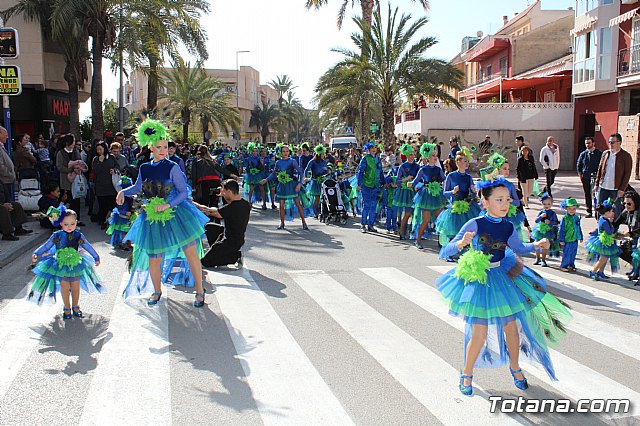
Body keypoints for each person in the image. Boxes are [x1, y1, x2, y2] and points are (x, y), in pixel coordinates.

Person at [437, 172, 570, 396]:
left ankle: (515, 367)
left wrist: (536, 244)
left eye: (507, 199)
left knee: (512, 329)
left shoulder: (508, 226)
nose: (504, 204)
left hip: (501, 279)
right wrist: (461, 243)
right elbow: (445, 251)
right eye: (499, 200)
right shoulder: (475, 223)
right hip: (479, 281)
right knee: (478, 333)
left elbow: (519, 248)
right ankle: (467, 373)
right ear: (485, 201)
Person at [117, 119, 209, 307]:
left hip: (177, 215)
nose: (163, 150)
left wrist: (167, 205)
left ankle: (200, 291)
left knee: (190, 252)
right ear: (151, 147)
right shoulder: (144, 167)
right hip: (152, 217)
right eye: (159, 147)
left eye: (165, 147)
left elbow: (183, 192)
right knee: (154, 257)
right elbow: (137, 187)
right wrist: (122, 192)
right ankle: (156, 290)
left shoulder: (173, 167)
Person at [29, 206, 103, 319]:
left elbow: (87, 246)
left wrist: (96, 257)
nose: (69, 227)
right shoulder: (57, 235)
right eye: (66, 224)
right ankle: (67, 307)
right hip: (61, 264)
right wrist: (36, 253)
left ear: (76, 222)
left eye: (72, 224)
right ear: (60, 223)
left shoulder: (78, 235)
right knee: (65, 287)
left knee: (75, 286)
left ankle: (76, 306)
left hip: (75, 264)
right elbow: (47, 246)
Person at [193, 179, 251, 268]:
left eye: (223, 191)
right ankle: (217, 252)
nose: (222, 192)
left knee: (205, 262)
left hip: (231, 242)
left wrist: (193, 204)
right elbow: (230, 205)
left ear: (229, 191)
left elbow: (210, 212)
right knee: (209, 227)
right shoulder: (245, 203)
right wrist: (224, 194)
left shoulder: (232, 208)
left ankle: (236, 256)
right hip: (233, 236)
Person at [435, 147, 480, 253]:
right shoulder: (451, 176)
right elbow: (444, 192)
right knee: (453, 232)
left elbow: (473, 193)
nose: (467, 163)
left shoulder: (468, 177)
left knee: (467, 231)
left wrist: (474, 191)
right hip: (454, 206)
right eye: (464, 161)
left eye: (467, 161)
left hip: (467, 207)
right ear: (458, 162)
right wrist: (453, 192)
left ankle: (465, 251)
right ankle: (450, 252)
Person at [260, 144, 309, 230]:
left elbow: (300, 172)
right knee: (281, 205)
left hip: (291, 185)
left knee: (298, 204)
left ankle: (304, 223)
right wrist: (266, 179)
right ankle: (282, 223)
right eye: (283, 151)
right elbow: (275, 173)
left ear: (289, 152)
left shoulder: (292, 161)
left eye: (287, 151)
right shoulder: (278, 162)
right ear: (280, 153)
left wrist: (299, 184)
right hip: (282, 186)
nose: (285, 153)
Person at [409, 143, 446, 249]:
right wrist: (411, 183)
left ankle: (441, 241)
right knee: (425, 220)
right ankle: (418, 240)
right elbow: (416, 180)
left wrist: (448, 188)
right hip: (426, 196)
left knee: (439, 220)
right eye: (433, 155)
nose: (435, 158)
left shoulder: (438, 169)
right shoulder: (423, 169)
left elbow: (445, 180)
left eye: (436, 155)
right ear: (427, 157)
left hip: (437, 195)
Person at [594, 133, 632, 217]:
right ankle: (600, 226)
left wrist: (622, 189)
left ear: (619, 142)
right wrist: (597, 184)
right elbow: (600, 169)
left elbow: (627, 174)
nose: (610, 144)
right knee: (600, 208)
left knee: (616, 208)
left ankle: (614, 227)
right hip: (603, 186)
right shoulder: (605, 154)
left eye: (612, 142)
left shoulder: (626, 156)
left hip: (616, 188)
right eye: (609, 142)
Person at [586, 200, 621, 281]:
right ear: (607, 212)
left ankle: (600, 272)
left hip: (606, 242)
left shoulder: (603, 219)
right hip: (604, 242)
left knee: (605, 257)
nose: (613, 213)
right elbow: (609, 232)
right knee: (603, 258)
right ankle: (593, 271)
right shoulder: (605, 221)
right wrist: (612, 226)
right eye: (611, 211)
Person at [56, 134, 85, 226]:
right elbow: (59, 167)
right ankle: (67, 220)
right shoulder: (60, 153)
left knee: (76, 201)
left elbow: (81, 162)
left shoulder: (76, 151)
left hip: (76, 179)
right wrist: (71, 169)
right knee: (68, 200)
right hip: (66, 180)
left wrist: (79, 168)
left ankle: (77, 219)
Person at [356, 142, 385, 233]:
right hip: (366, 185)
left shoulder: (378, 159)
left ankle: (371, 225)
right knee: (367, 205)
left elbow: (380, 172)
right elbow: (360, 172)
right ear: (368, 149)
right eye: (372, 148)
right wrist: (359, 184)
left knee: (373, 206)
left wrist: (383, 182)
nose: (374, 149)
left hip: (375, 186)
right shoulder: (365, 158)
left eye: (375, 147)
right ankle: (363, 224)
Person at [92, 141, 120, 228]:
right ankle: (102, 221)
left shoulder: (111, 157)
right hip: (101, 186)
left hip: (111, 185)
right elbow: (95, 171)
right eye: (98, 150)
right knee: (102, 206)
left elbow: (117, 166)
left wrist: (114, 170)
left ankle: (113, 221)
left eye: (101, 149)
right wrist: (100, 161)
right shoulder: (95, 159)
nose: (99, 151)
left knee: (112, 204)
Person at [614, 191, 640, 279]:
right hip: (633, 239)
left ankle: (637, 271)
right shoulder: (626, 211)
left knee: (636, 253)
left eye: (629, 204)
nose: (626, 206)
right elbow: (617, 222)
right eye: (624, 203)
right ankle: (636, 268)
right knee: (620, 250)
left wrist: (629, 234)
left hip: (638, 240)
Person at [106, 175, 135, 250]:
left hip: (129, 217)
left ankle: (127, 243)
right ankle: (123, 243)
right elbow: (119, 208)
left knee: (127, 231)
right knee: (122, 231)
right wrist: (125, 212)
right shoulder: (121, 197)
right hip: (122, 217)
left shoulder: (131, 198)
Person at [576, 137, 602, 218]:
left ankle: (597, 211)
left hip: (595, 177)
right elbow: (579, 165)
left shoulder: (599, 153)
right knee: (587, 194)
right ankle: (589, 211)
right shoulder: (583, 154)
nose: (587, 145)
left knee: (596, 194)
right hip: (586, 177)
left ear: (593, 143)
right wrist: (580, 175)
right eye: (586, 143)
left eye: (589, 143)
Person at [531, 193, 560, 267]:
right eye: (544, 204)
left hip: (548, 231)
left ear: (551, 204)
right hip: (539, 230)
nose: (546, 206)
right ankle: (537, 258)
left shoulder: (552, 213)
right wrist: (540, 217)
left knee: (544, 245)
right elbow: (536, 221)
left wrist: (550, 222)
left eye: (548, 204)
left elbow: (556, 222)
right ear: (542, 204)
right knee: (537, 244)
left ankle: (543, 259)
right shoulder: (541, 212)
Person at [558, 198, 583, 272]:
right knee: (567, 253)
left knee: (573, 253)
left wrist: (581, 236)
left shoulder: (576, 217)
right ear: (566, 208)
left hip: (575, 238)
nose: (572, 210)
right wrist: (561, 239)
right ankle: (564, 265)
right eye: (570, 208)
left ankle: (571, 265)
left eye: (574, 208)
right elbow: (561, 229)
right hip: (567, 238)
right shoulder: (565, 218)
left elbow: (579, 227)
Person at [304, 145, 330, 217]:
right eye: (322, 154)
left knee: (324, 197)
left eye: (324, 153)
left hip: (322, 182)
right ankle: (315, 212)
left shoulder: (324, 162)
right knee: (317, 198)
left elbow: (327, 172)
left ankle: (323, 211)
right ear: (318, 154)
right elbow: (306, 169)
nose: (324, 155)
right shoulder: (312, 161)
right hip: (315, 182)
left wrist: (326, 170)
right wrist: (305, 177)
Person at [0, 126, 16, 199]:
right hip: (4, 180)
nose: (7, 137)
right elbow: (1, 166)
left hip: (6, 180)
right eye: (5, 135)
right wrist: (9, 174)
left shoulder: (2, 146)